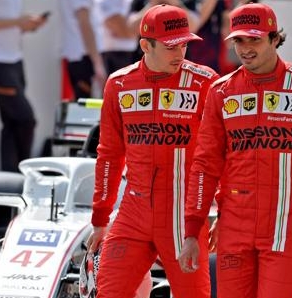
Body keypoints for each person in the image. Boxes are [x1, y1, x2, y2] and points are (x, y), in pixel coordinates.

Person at [178, 2, 292, 298]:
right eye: (239, 40)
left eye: (255, 39)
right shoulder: (221, 92)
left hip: (285, 231)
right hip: (234, 230)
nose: (246, 48)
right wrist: (192, 229)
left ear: (275, 39)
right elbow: (205, 166)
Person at [85, 4, 219, 298]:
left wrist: (222, 211)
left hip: (183, 218)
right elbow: (108, 155)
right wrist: (100, 219)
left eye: (184, 44)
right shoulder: (119, 84)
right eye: (171, 46)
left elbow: (223, 153)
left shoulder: (206, 83)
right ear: (145, 45)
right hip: (133, 213)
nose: (180, 53)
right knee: (108, 292)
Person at [0, 0, 48, 172]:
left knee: (12, 124)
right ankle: (24, 174)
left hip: (14, 61)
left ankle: (10, 178)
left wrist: (29, 25)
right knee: (26, 119)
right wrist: (17, 21)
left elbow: (9, 26)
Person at [59, 0, 107, 100]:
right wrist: (97, 63)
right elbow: (85, 24)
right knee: (86, 107)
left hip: (82, 57)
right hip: (84, 58)